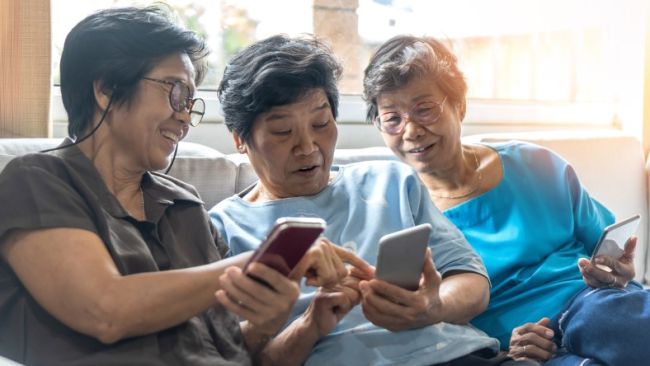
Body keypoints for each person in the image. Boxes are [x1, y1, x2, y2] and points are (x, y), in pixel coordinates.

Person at [0, 7, 351, 365]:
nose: (185, 117)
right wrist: (253, 264)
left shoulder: (185, 205)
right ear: (106, 88)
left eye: (190, 102)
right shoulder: (38, 180)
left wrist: (276, 324)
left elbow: (227, 350)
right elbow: (105, 310)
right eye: (175, 92)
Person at [209, 34, 541, 366]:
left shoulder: (392, 181)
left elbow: (470, 280)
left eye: (321, 123)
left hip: (464, 356)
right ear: (240, 139)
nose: (308, 147)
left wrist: (430, 308)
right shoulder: (223, 229)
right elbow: (239, 357)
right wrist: (311, 323)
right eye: (283, 132)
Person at [363, 35, 650, 365]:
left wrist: (617, 272)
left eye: (424, 109)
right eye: (392, 118)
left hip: (597, 308)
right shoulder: (400, 217)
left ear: (459, 105)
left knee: (615, 319)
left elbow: (608, 251)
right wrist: (504, 352)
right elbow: (427, 326)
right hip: (533, 349)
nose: (410, 131)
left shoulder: (536, 164)